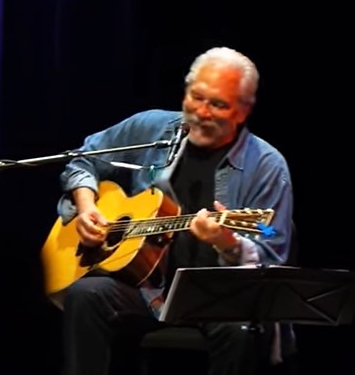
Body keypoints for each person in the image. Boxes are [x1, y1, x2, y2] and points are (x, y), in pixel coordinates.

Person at [54, 46, 295, 375]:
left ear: (242, 111)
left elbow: (271, 235)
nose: (202, 112)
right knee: (85, 294)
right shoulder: (152, 129)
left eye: (218, 104)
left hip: (217, 295)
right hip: (146, 288)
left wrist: (228, 243)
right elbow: (83, 158)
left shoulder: (267, 165)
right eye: (196, 97)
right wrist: (85, 206)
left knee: (239, 330)